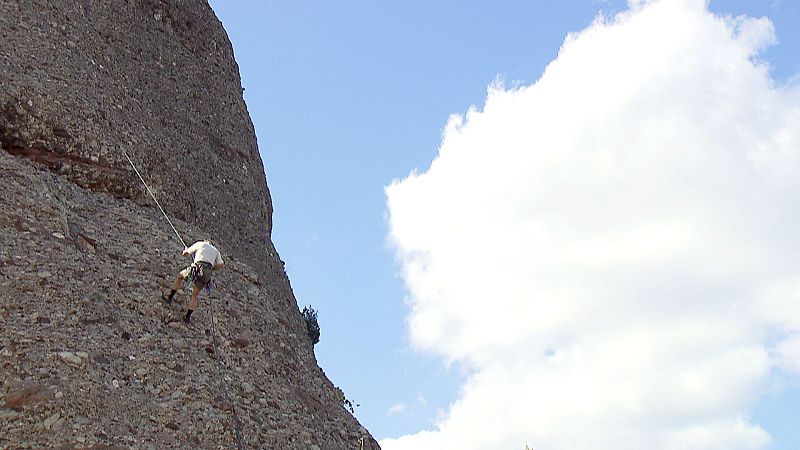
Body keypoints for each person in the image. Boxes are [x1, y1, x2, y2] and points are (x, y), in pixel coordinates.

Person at [164, 239, 224, 322]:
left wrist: (185, 251)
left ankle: (169, 298)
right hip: (207, 273)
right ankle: (187, 316)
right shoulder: (215, 251)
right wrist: (212, 269)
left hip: (197, 267)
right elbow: (221, 265)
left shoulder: (200, 244)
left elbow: (185, 253)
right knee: (195, 294)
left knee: (180, 276)